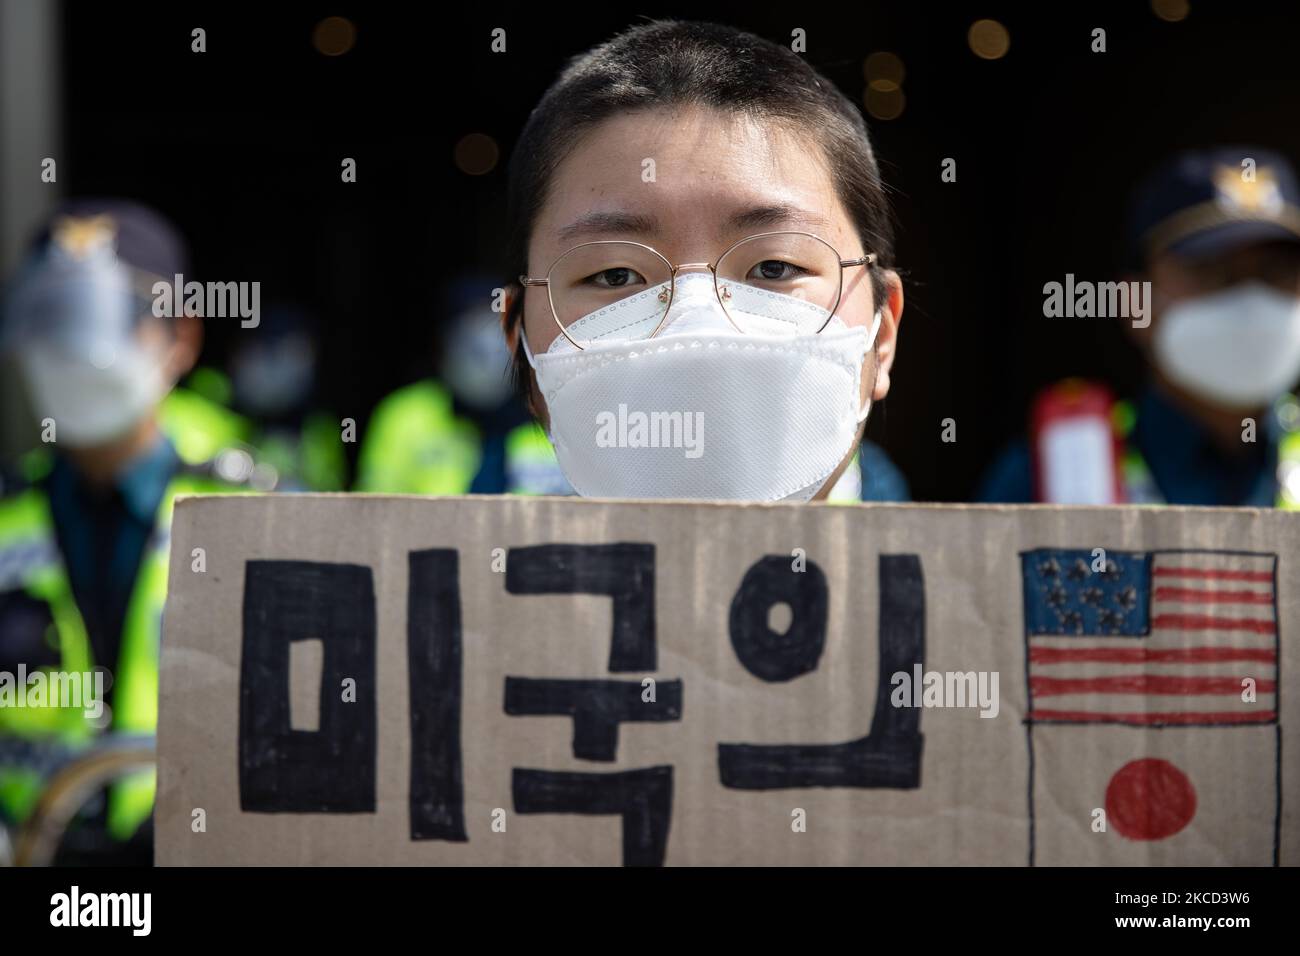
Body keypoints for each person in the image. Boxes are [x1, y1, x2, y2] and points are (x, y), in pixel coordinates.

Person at [498, 20, 908, 503]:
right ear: (519, 339)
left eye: (774, 268)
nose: (696, 330)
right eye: (615, 275)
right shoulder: (443, 577)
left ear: (881, 336)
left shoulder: (992, 577)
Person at [0, 199, 252, 862]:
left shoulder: (259, 512)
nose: (78, 352)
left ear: (183, 337)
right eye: (53, 320)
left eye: (113, 320)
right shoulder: (5, 518)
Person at [978, 147, 1300, 507]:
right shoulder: (1047, 473)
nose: (1249, 300)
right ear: (1135, 303)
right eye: (1210, 270)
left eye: (1278, 272)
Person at [356, 278, 573, 495]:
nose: (489, 355)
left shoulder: (554, 417)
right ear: (442, 346)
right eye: (471, 344)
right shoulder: (406, 415)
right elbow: (375, 511)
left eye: (501, 335)